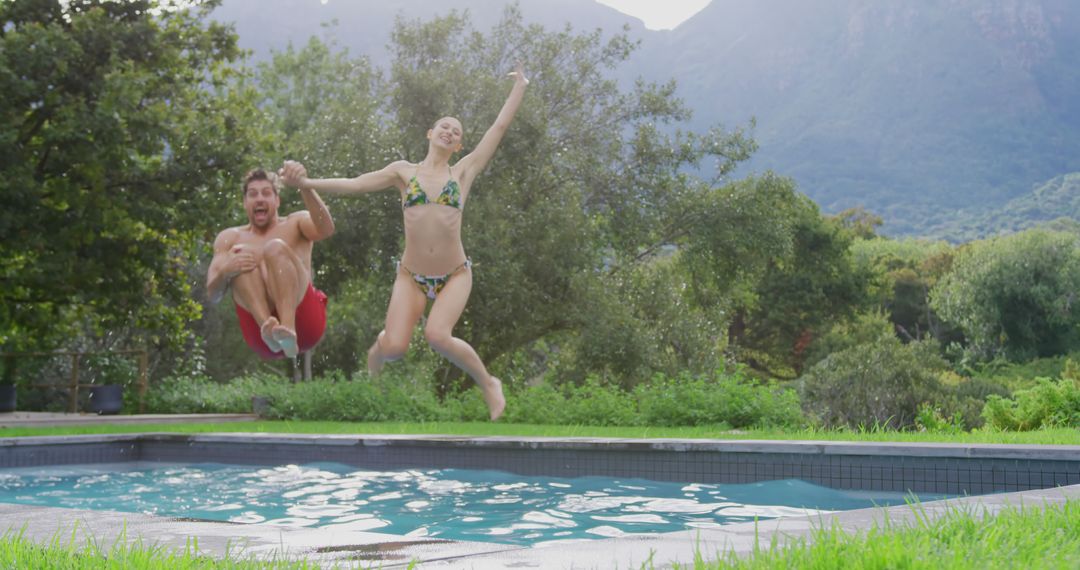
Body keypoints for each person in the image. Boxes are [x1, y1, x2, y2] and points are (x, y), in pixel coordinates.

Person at [280, 63, 528, 421]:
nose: (449, 131)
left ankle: (489, 384)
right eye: (444, 125)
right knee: (395, 347)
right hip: (410, 275)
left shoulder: (463, 172)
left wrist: (520, 86)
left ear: (458, 146)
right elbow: (356, 184)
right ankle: (376, 353)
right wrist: (307, 184)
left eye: (455, 131)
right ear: (430, 133)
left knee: (438, 336)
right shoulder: (403, 172)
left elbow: (499, 127)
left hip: (455, 274)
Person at [206, 168, 335, 359]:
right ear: (245, 203)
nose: (259, 199)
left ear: (277, 200)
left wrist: (304, 186)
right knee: (240, 257)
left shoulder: (295, 223)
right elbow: (213, 295)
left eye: (266, 193)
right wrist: (226, 271)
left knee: (275, 248)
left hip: (305, 325)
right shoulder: (229, 238)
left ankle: (287, 329)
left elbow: (326, 229)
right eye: (253, 194)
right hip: (260, 335)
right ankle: (269, 329)